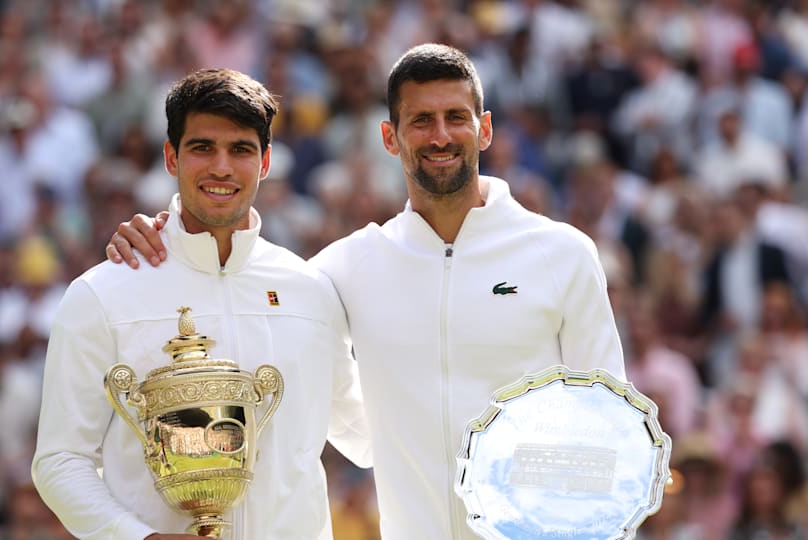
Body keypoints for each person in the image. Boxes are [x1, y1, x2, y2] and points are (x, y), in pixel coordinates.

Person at [107, 44, 626, 539]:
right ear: (390, 136)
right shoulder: (344, 268)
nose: (439, 136)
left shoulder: (564, 255)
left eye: (455, 117)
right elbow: (235, 281)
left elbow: (612, 426)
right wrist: (169, 240)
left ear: (484, 129)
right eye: (420, 120)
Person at [31, 68, 370, 540]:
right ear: (171, 157)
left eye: (241, 150)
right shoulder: (101, 293)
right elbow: (59, 461)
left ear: (266, 161)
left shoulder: (310, 289)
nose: (222, 168)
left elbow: (364, 434)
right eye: (202, 148)